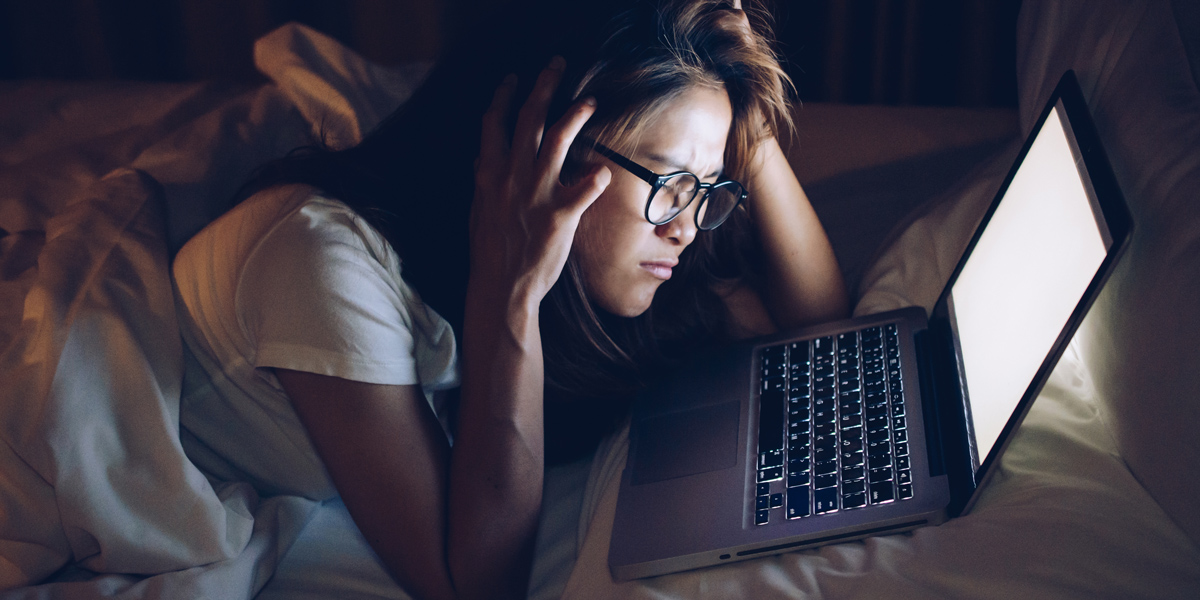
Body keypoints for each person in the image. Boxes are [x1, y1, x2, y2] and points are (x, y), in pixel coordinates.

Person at [171, 0, 847, 598]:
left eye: (709, 187)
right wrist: (513, 288)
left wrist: (738, 101)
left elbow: (817, 326)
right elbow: (475, 581)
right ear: (542, 152)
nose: (687, 226)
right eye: (669, 183)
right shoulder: (319, 263)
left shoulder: (617, 262)